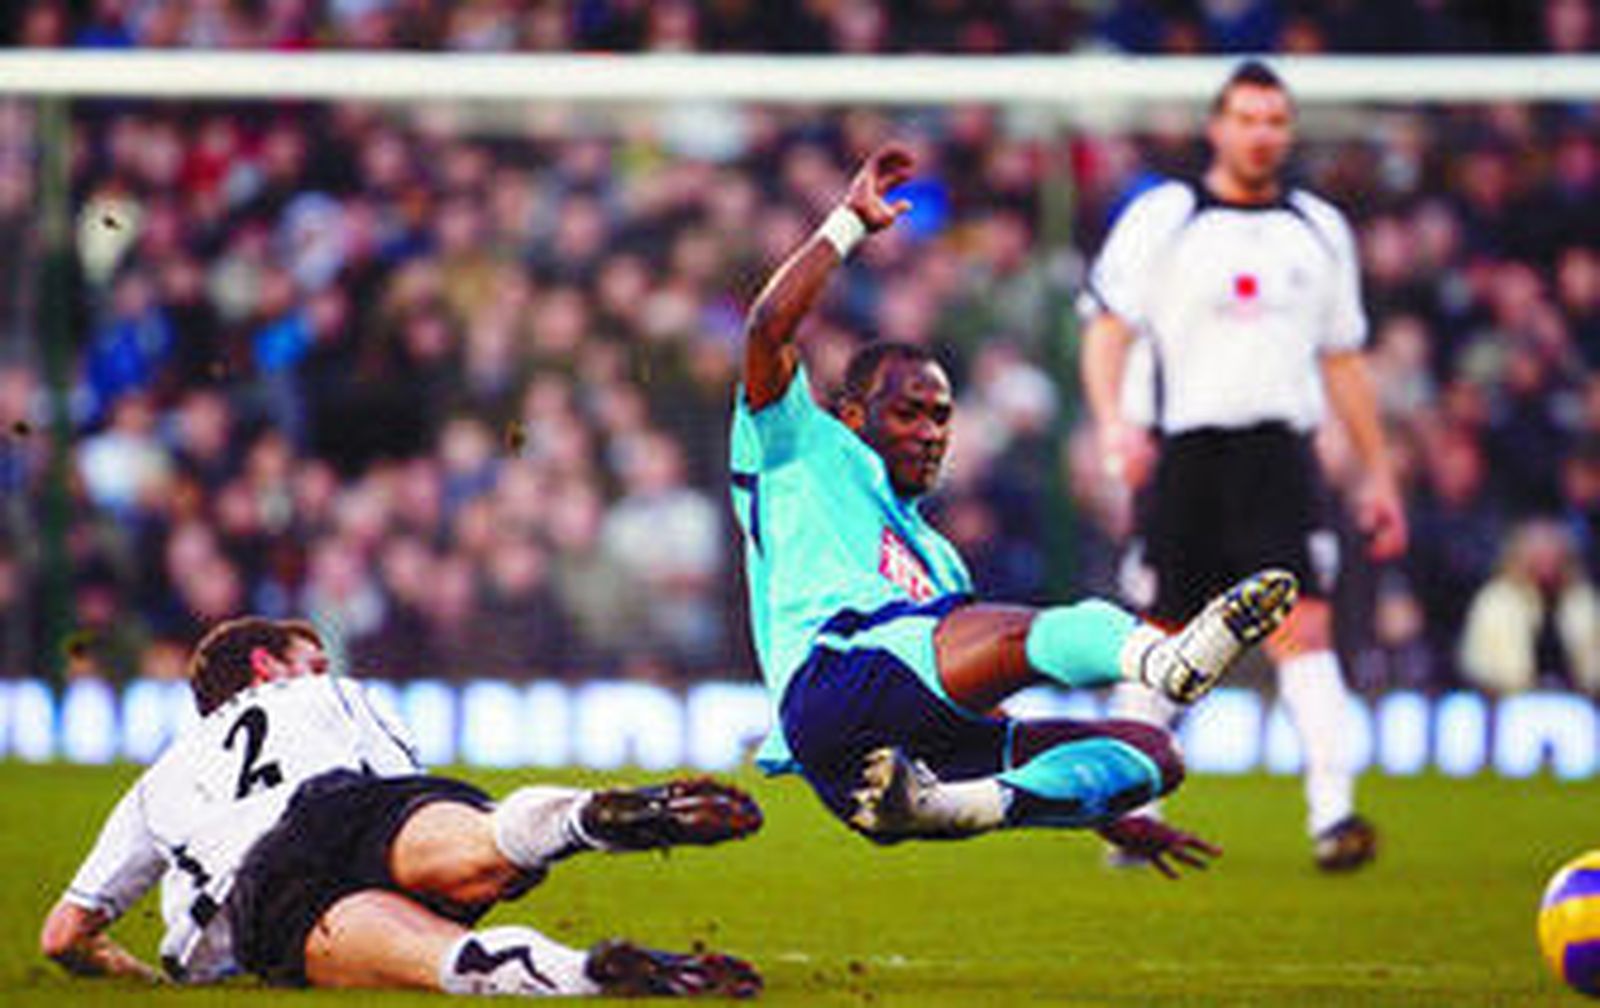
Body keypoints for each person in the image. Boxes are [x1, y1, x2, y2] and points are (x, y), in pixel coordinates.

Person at [729, 142, 1297, 871]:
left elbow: (964, 691)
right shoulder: (799, 444)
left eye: (941, 416)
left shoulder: (936, 556)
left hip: (888, 770)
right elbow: (768, 328)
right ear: (848, 415)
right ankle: (1165, 661)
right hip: (830, 690)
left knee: (1152, 757)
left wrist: (1106, 817)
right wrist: (847, 223)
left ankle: (952, 806)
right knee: (1024, 632)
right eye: (909, 412)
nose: (932, 432)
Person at [39, 617, 763, 998]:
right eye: (313, 660)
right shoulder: (327, 693)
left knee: (436, 960)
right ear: (268, 667)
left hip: (264, 885)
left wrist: (132, 973)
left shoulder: (159, 779)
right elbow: (397, 792)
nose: (325, 671)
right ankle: (578, 820)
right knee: (482, 843)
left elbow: (64, 934)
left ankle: (588, 976)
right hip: (355, 806)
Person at [1078, 61, 1408, 872]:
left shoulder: (1319, 229)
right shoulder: (1166, 217)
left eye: (1275, 121)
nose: (1262, 135)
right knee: (1159, 635)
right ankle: (1132, 811)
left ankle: (1335, 816)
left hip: (1279, 457)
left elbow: (1343, 360)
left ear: (1287, 132)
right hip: (1184, 452)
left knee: (1306, 626)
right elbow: (1108, 330)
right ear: (1217, 128)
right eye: (1248, 119)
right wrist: (1115, 424)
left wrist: (1379, 474)